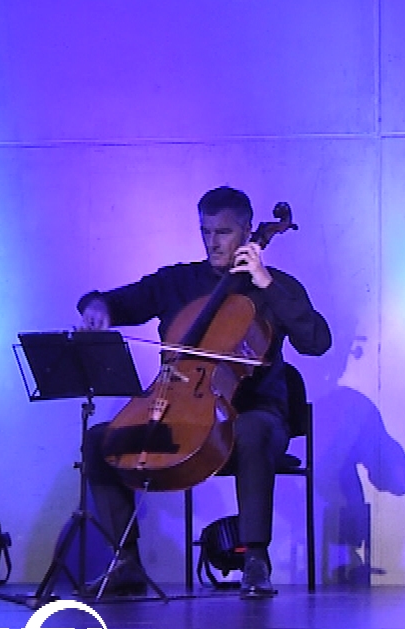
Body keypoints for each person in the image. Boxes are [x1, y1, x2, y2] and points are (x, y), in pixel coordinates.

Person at [77, 186, 331, 598]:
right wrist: (97, 306)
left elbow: (317, 341)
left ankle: (255, 560)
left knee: (250, 429)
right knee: (98, 440)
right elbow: (113, 300)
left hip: (257, 414)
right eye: (206, 231)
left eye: (224, 232)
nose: (213, 242)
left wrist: (267, 283)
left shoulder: (275, 287)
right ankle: (125, 561)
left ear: (247, 230)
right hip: (182, 413)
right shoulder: (177, 282)